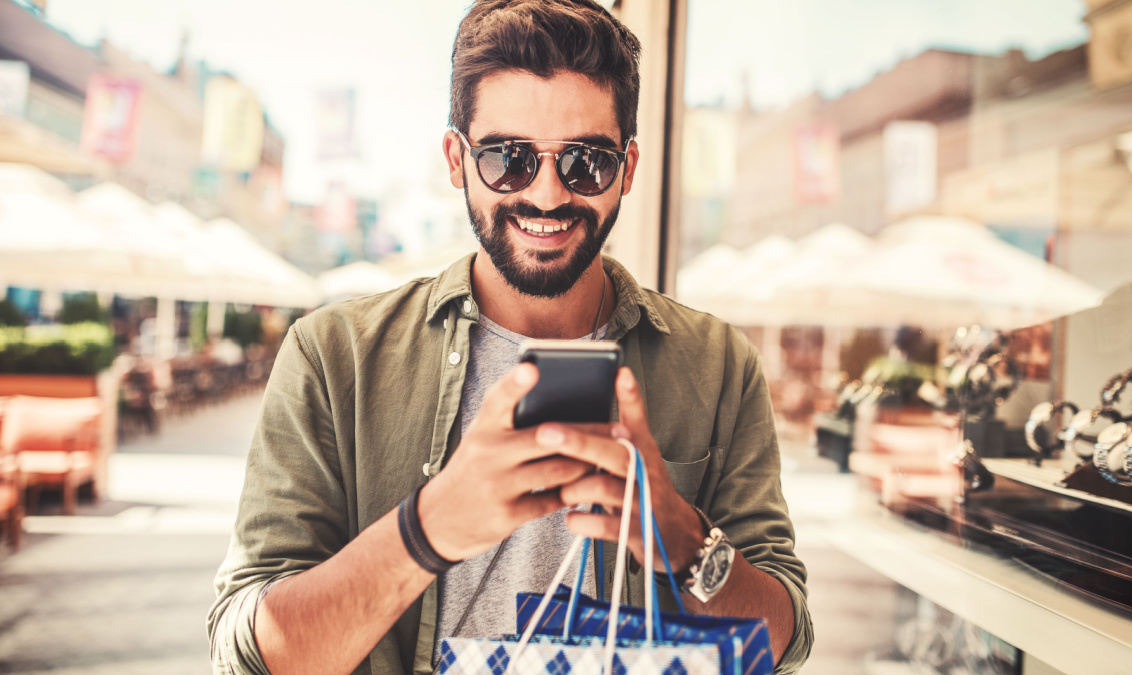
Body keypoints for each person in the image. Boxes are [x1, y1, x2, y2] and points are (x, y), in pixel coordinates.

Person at [207, 1, 814, 674]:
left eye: (586, 162)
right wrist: (428, 527)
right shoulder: (332, 356)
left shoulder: (719, 365)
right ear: (456, 158)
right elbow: (249, 655)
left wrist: (681, 537)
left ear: (630, 168)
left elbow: (783, 638)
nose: (549, 195)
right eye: (507, 158)